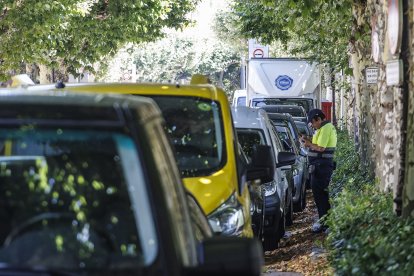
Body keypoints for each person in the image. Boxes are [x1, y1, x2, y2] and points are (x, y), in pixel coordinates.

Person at [300, 108, 337, 233]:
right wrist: (308, 140)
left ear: (318, 119)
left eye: (312, 122)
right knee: (319, 195)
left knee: (321, 196)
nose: (312, 125)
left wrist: (309, 144)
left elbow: (320, 148)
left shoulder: (326, 128)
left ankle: (326, 224)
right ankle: (323, 222)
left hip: (322, 167)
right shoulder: (321, 129)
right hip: (319, 167)